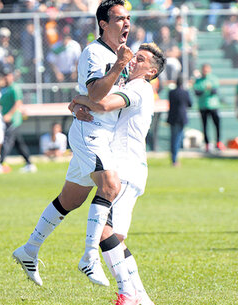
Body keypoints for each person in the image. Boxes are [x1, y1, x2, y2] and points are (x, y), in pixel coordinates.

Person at [12, 0, 132, 291]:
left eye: (128, 18)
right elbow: (95, 95)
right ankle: (90, 256)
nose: (126, 22)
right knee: (110, 186)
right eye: (119, 18)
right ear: (103, 24)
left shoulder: (124, 53)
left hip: (105, 135)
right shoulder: (94, 52)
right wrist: (117, 66)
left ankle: (29, 250)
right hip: (90, 131)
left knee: (71, 200)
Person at [70, 42, 165, 304]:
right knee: (115, 238)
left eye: (141, 60)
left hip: (124, 168)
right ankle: (141, 298)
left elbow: (103, 104)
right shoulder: (131, 85)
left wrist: (78, 99)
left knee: (104, 232)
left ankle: (128, 294)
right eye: (135, 56)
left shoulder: (139, 88)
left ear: (151, 72)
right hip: (129, 168)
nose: (134, 60)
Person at [0, 66, 36, 173]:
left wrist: (9, 115)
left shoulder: (15, 88)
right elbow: (0, 102)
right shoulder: (5, 88)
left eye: (8, 75)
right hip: (7, 120)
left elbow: (18, 103)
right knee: (19, 143)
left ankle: (0, 163)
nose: (6, 78)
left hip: (14, 120)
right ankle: (29, 164)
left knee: (7, 141)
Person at [193, 63, 225, 152]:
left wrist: (207, 90)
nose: (205, 71)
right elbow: (197, 92)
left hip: (213, 105)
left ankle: (218, 142)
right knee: (205, 126)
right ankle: (207, 144)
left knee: (217, 124)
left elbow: (214, 91)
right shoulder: (198, 80)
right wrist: (205, 90)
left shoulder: (213, 79)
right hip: (203, 106)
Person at [167, 76, 192, 167]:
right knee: (177, 138)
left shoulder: (171, 92)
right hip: (181, 117)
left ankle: (174, 158)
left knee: (174, 138)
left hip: (173, 117)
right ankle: (175, 159)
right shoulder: (185, 93)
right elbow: (190, 104)